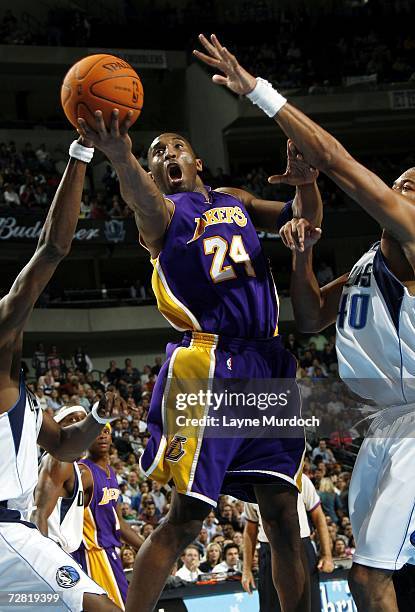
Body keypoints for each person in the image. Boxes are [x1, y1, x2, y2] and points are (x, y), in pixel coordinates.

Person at [77, 78, 323, 610]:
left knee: (282, 511)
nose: (167, 154)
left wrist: (306, 185)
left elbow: (303, 220)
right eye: (156, 152)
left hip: (270, 361)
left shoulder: (234, 199)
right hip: (213, 361)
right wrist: (123, 158)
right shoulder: (162, 217)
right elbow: (140, 196)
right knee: (187, 516)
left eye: (175, 146)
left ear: (198, 162)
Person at [194, 32, 415, 612]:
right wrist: (300, 254)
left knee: (370, 579)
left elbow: (337, 161)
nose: (401, 190)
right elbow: (313, 315)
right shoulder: (370, 262)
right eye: (401, 184)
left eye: (413, 188)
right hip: (379, 426)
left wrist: (259, 93)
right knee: (378, 577)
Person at [0, 134, 135, 611]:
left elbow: (63, 446)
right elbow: (52, 249)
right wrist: (80, 154)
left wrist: (98, 416)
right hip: (6, 538)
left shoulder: (23, 399)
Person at [73, 424, 144, 610]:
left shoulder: (111, 473)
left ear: (111, 438)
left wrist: (146, 550)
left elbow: (118, 522)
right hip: (92, 552)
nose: (102, 436)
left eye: (106, 432)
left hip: (110, 550)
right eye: (96, 432)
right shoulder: (83, 473)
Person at [243, 473, 333, 612]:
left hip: (301, 545)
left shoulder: (301, 479)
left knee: (310, 605)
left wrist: (327, 555)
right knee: (271, 607)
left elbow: (319, 518)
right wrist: (246, 570)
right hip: (268, 550)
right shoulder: (252, 484)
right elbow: (250, 531)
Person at [32, 405, 88, 553]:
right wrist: (44, 559)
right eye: (72, 420)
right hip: (52, 549)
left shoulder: (71, 462)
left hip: (63, 550)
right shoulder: (60, 460)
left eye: (83, 420)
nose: (79, 424)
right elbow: (39, 514)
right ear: (57, 429)